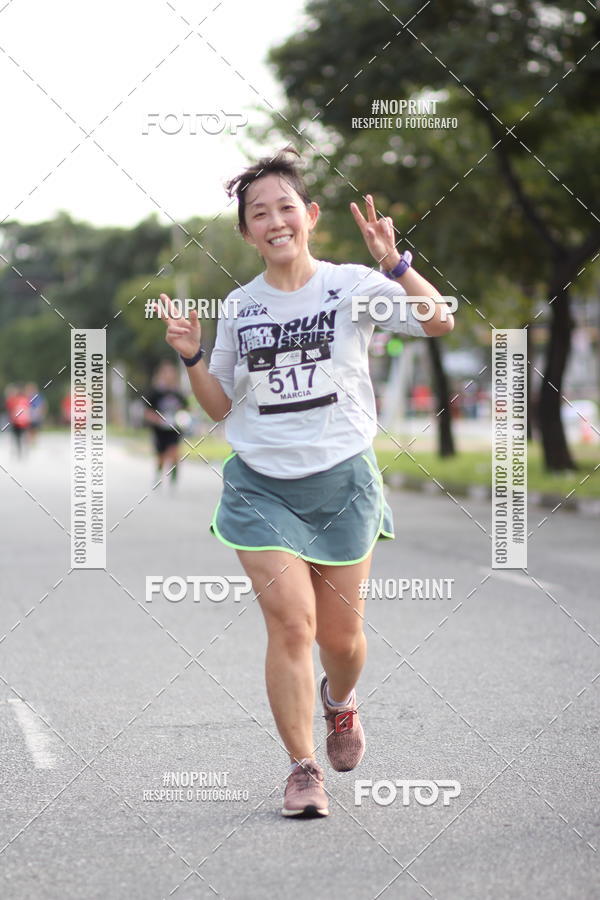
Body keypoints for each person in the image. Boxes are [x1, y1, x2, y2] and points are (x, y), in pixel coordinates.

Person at [156, 146, 454, 817]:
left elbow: (440, 320)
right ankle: (302, 769)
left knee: (341, 642)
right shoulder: (239, 306)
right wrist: (193, 356)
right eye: (259, 213)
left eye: (285, 207)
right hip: (261, 486)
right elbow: (219, 406)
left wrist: (396, 265)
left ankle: (339, 701)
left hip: (344, 481)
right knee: (292, 625)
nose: (275, 221)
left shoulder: (353, 284)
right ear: (246, 232)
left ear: (311, 215)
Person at [144, 361, 188, 487]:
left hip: (174, 428)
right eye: (166, 373)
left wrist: (182, 417)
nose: (169, 375)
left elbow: (186, 408)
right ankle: (159, 473)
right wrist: (157, 419)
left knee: (174, 451)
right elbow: (147, 411)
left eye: (171, 373)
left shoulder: (178, 393)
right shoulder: (155, 393)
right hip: (159, 429)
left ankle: (174, 475)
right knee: (161, 456)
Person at [5, 384, 31, 458]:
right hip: (22, 422)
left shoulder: (14, 400)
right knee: (22, 437)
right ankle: (23, 451)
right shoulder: (25, 399)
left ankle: (20, 452)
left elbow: (10, 410)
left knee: (18, 438)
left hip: (17, 421)